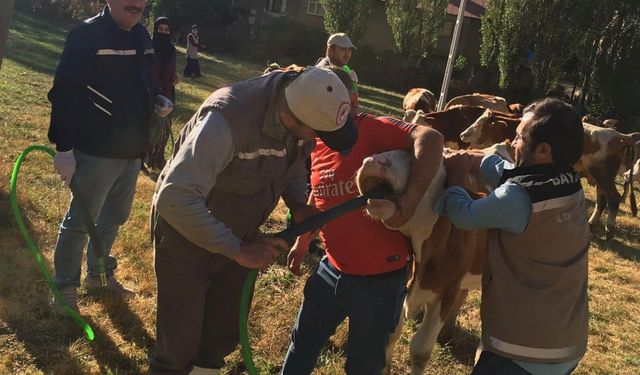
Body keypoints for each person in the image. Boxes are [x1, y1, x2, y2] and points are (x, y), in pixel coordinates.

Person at [150, 66, 358, 375]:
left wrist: (298, 203)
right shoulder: (226, 121)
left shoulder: (299, 112)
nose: (319, 142)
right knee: (178, 347)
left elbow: (295, 161)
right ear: (292, 119)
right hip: (186, 237)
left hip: (239, 235)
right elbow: (175, 199)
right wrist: (237, 250)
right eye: (318, 134)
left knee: (220, 336)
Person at [281, 68, 444, 375]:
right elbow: (320, 193)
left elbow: (431, 139)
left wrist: (407, 204)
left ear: (352, 100)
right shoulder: (321, 143)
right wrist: (303, 242)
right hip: (331, 269)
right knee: (302, 343)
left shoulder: (372, 128)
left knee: (363, 366)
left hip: (379, 281)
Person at [436, 97, 590, 375]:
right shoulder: (570, 184)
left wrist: (456, 178)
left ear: (543, 151)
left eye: (519, 137)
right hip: (566, 342)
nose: (513, 142)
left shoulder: (519, 199)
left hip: (523, 353)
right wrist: (475, 159)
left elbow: (463, 214)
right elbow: (514, 175)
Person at [47, 0, 172, 314]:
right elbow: (64, 92)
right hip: (96, 149)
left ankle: (99, 276)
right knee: (81, 222)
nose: (137, 4)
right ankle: (65, 288)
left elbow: (144, 80)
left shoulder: (142, 35)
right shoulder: (86, 35)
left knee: (113, 218)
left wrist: (156, 98)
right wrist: (64, 148)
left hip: (131, 152)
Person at [145, 16, 178, 171]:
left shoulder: (172, 50)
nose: (163, 32)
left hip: (167, 92)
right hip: (150, 92)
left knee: (164, 128)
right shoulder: (149, 46)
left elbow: (171, 69)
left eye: (166, 29)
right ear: (155, 30)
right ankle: (143, 157)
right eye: (160, 29)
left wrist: (174, 78)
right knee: (149, 127)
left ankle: (158, 157)